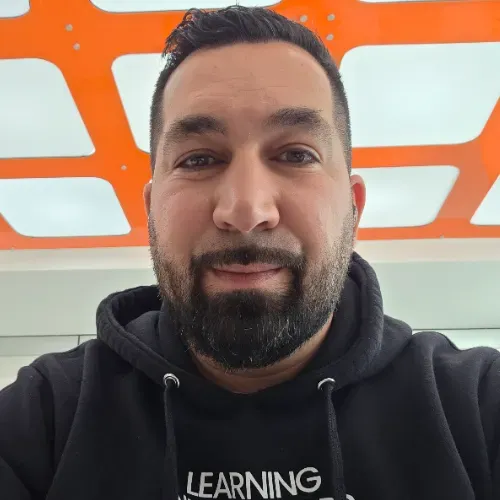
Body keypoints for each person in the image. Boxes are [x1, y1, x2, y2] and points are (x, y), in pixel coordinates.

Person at [0, 6, 499, 500]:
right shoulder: (45, 415)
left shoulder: (476, 404)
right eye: (199, 158)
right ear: (152, 210)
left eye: (296, 155)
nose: (246, 209)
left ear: (353, 207)